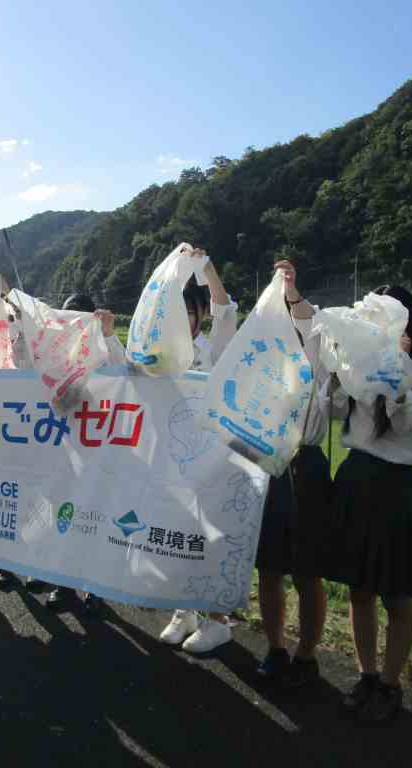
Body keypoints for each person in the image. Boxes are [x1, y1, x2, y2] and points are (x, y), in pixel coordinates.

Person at [321, 285, 412, 722]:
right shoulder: (361, 369)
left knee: (396, 595)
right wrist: (338, 367)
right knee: (359, 591)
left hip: (395, 486)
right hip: (357, 477)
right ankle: (367, 675)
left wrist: (397, 366)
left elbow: (411, 422)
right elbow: (336, 410)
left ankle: (391, 684)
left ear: (408, 323)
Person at [253, 258, 334, 687]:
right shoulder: (259, 345)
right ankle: (276, 647)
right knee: (268, 567)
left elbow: (308, 317)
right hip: (269, 461)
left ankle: (307, 654)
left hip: (306, 460)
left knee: (307, 571)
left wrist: (291, 292)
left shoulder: (315, 332)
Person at [158, 249, 239, 654]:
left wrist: (206, 268)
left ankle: (217, 620)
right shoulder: (161, 356)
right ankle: (183, 610)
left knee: (211, 540)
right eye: (175, 314)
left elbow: (225, 309)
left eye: (189, 313)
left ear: (198, 315)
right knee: (179, 536)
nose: (183, 322)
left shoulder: (215, 347)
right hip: (175, 461)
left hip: (213, 460)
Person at [44, 292, 124, 615]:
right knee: (63, 517)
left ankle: (96, 587)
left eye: (81, 316)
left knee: (95, 519)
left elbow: (128, 375)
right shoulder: (54, 354)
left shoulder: (106, 350)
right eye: (68, 317)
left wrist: (108, 335)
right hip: (64, 450)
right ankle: (63, 585)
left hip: (101, 452)